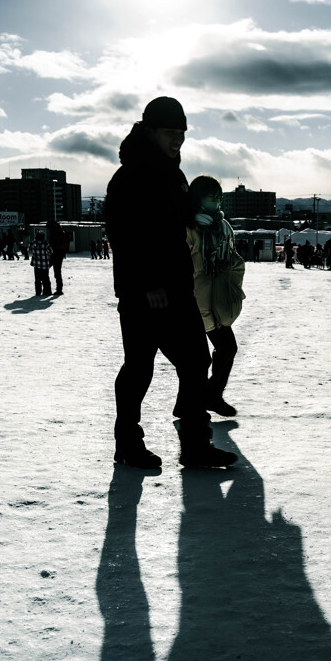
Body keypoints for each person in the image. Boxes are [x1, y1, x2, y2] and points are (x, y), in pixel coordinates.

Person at [105, 96, 236, 470]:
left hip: (176, 288)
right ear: (149, 131)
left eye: (181, 133)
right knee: (139, 367)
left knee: (196, 361)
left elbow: (176, 223)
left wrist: (201, 214)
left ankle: (195, 446)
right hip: (145, 292)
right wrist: (148, 285)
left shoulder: (171, 173)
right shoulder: (130, 177)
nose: (177, 139)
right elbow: (125, 236)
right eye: (169, 132)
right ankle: (128, 442)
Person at [186, 175, 245, 418]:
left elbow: (232, 256)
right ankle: (193, 405)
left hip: (215, 300)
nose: (217, 203)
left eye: (219, 198)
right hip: (192, 300)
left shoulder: (222, 226)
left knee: (227, 349)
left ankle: (210, 396)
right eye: (212, 198)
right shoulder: (188, 227)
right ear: (198, 198)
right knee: (195, 361)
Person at [46, 218, 69, 296]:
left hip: (55, 254)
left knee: (46, 270)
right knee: (58, 271)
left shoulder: (54, 233)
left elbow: (52, 244)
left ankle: (48, 289)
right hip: (60, 254)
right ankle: (59, 288)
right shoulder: (62, 231)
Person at [30, 230, 53, 295]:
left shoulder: (33, 243)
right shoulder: (46, 243)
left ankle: (38, 292)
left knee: (37, 279)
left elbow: (31, 250)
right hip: (45, 264)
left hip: (36, 264)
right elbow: (51, 251)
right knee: (46, 278)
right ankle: (47, 291)